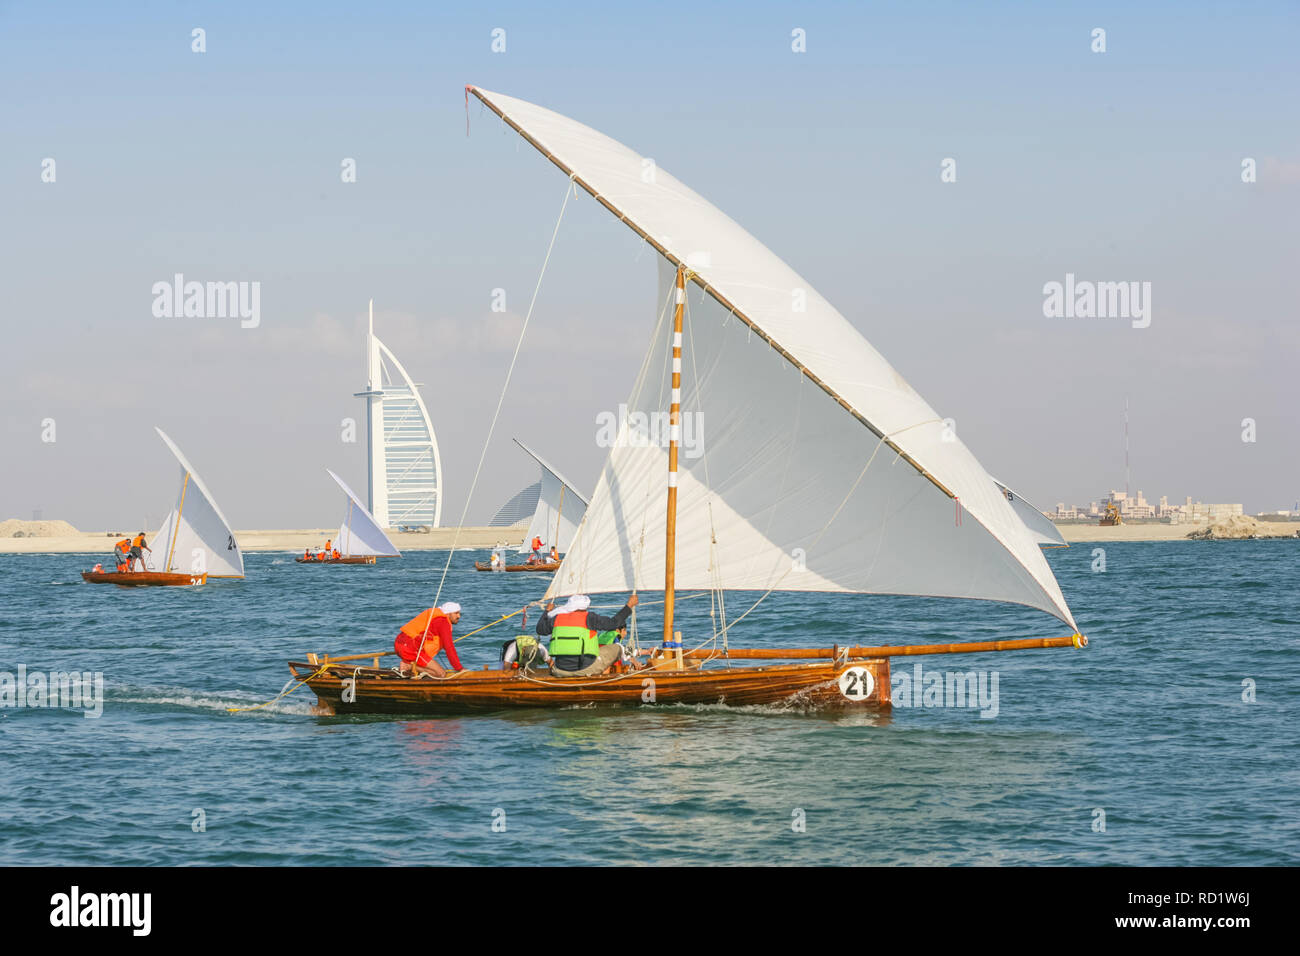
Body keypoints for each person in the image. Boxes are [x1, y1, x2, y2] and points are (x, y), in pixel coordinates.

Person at [537, 593, 638, 677]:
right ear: (585, 607)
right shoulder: (590, 618)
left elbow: (540, 629)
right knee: (618, 647)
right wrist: (629, 605)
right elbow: (613, 624)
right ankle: (606, 674)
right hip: (585, 670)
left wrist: (547, 611)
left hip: (560, 670)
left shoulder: (557, 618)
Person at [395, 602, 465, 678]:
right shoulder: (443, 622)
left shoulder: (439, 619)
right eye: (456, 613)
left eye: (459, 613)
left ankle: (409, 666)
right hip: (409, 648)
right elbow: (449, 647)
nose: (459, 616)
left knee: (434, 671)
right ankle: (408, 666)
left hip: (401, 643)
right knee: (441, 674)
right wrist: (459, 668)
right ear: (448, 614)